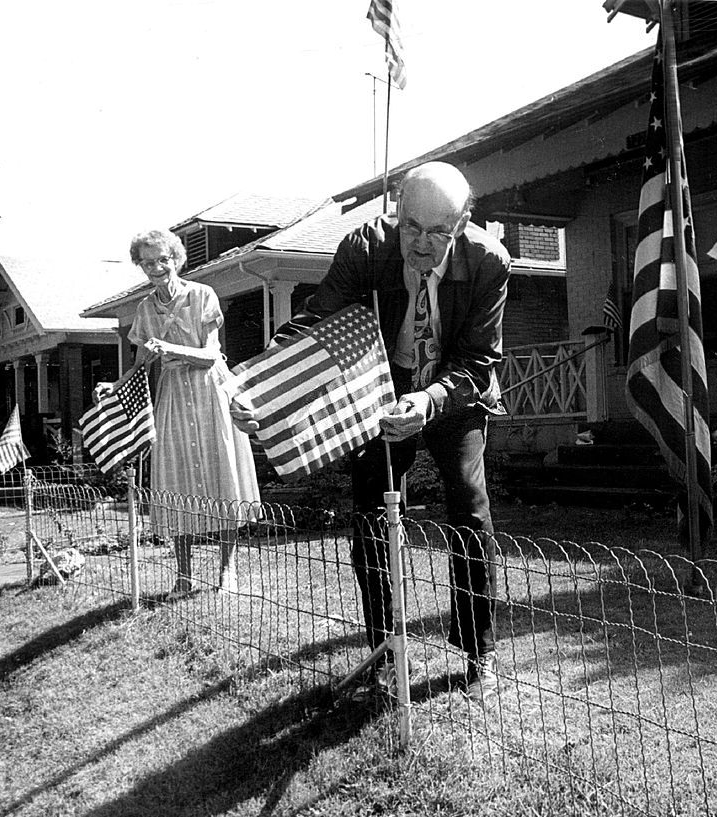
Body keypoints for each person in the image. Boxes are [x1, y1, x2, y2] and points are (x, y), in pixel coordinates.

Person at [233, 162, 509, 703]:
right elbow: (317, 322)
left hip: (454, 392)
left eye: (439, 233)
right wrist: (260, 390)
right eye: (412, 227)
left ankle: (479, 652)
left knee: (470, 509)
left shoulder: (488, 262)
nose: (423, 245)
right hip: (380, 388)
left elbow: (481, 358)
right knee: (373, 512)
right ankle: (386, 648)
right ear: (395, 213)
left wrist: (429, 401)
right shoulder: (365, 247)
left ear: (464, 222)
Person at [95, 229, 260, 597]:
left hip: (210, 392)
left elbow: (212, 355)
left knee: (222, 475)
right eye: (148, 262)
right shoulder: (144, 309)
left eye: (162, 260)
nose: (156, 267)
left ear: (176, 259)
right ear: (140, 266)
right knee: (175, 480)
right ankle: (183, 578)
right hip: (172, 393)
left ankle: (227, 572)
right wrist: (116, 386)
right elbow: (141, 364)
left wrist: (169, 347)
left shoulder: (202, 295)